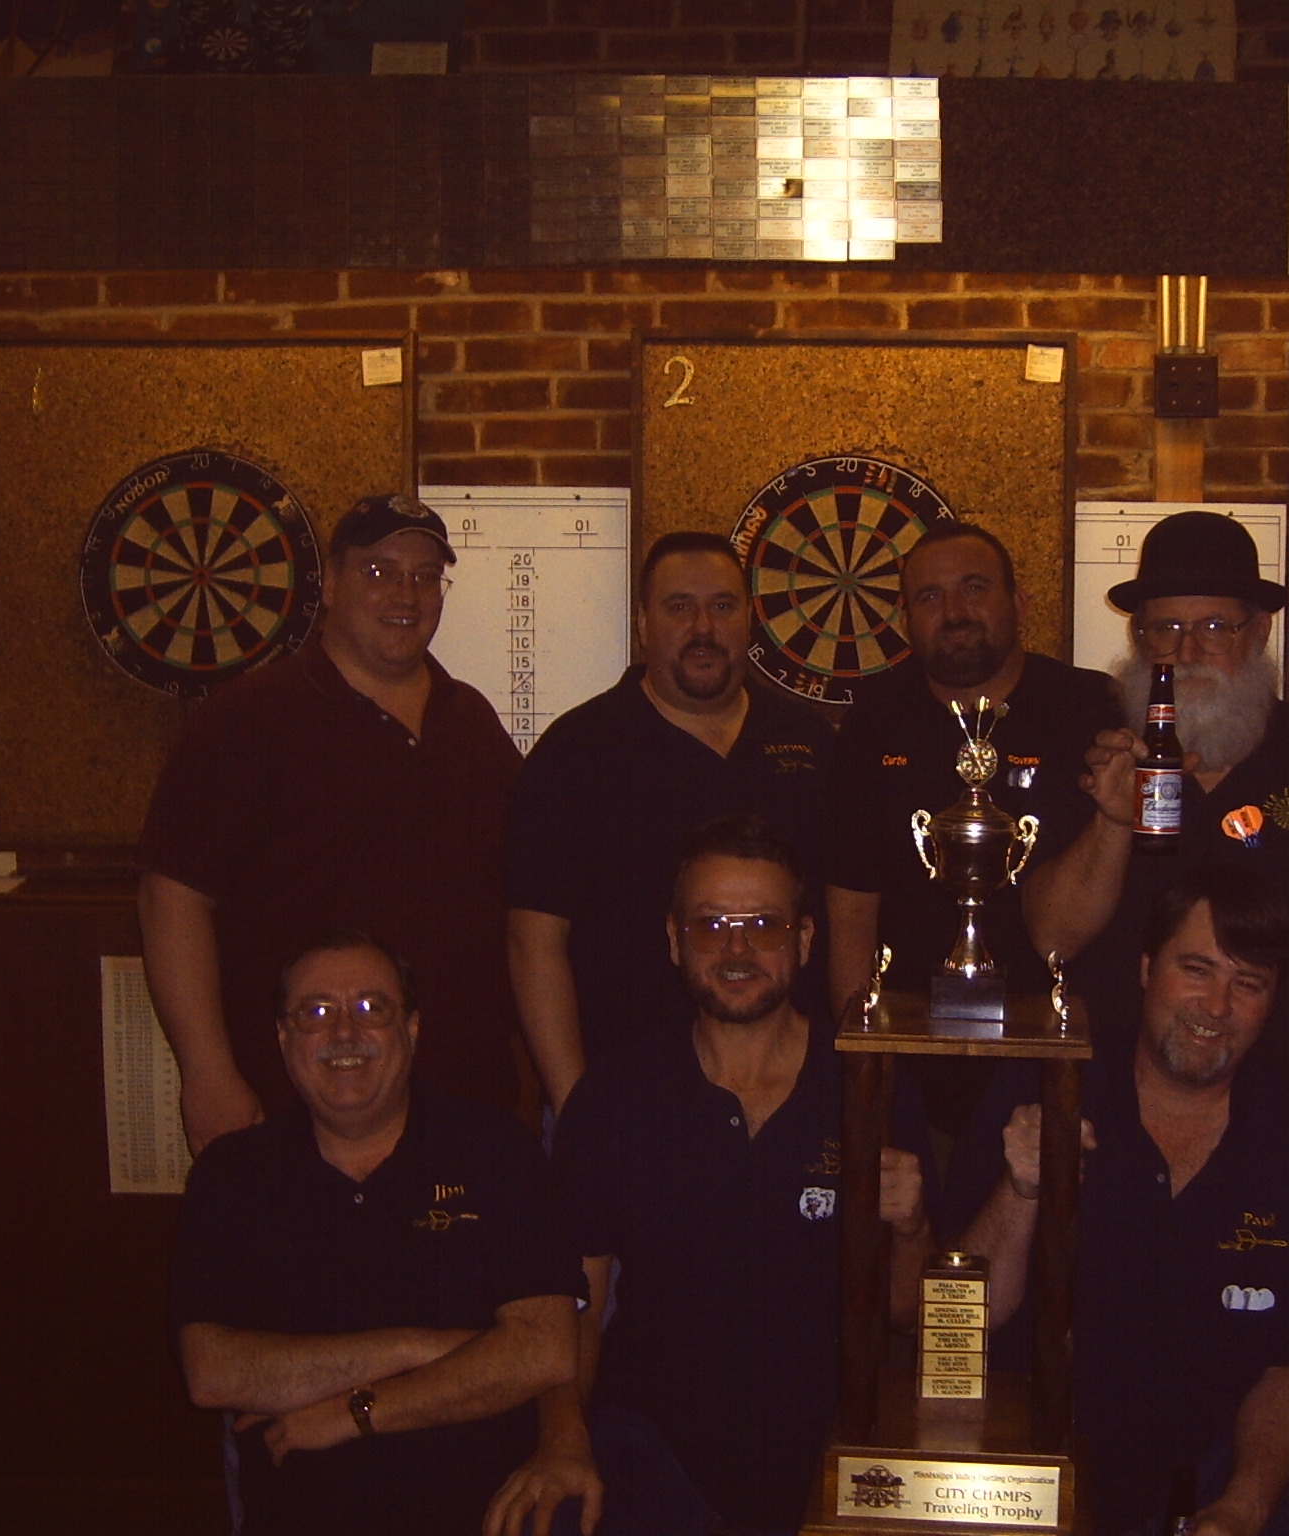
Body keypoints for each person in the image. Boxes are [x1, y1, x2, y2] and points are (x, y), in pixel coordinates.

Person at [491, 815, 931, 1536]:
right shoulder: (614, 1098)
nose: (736, 949)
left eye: (763, 925)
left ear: (805, 940)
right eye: (711, 925)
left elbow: (909, 1313)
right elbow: (573, 1312)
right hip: (652, 1459)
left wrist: (909, 1228)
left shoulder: (869, 1087)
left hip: (828, 1459)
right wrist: (565, 1440)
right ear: (674, 940)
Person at [949, 866, 1289, 1536]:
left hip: (1227, 1472)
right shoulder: (1042, 1089)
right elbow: (964, 1322)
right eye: (1197, 970)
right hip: (1038, 1470)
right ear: (1147, 970)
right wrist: (1020, 1188)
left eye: (1247, 984)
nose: (1216, 1006)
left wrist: (1241, 1508)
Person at [1023, 511, 1289, 1185]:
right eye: (1165, 629)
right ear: (1138, 637)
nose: (1188, 652)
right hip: (1109, 1133)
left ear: (1261, 630)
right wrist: (1111, 820)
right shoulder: (1090, 751)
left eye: (1216, 627)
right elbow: (1052, 937)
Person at [139, 491, 524, 1153]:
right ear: (332, 584)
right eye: (379, 571)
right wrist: (206, 1072)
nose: (405, 593)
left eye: (425, 576)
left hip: (461, 1102)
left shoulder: (471, 724)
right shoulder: (246, 720)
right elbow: (171, 899)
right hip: (295, 1107)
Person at [169, 931, 583, 1536]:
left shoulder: (496, 1149)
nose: (344, 1032)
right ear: (283, 1037)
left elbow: (545, 1350)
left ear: (411, 1029)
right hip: (299, 1517)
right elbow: (213, 1373)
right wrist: (423, 1349)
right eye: (315, 1012)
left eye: (371, 1007)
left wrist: (355, 1411)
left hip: (481, 1515)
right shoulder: (231, 1175)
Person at [506, 533, 835, 1116]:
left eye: (722, 606)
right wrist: (579, 1110)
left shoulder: (810, 744)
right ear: (643, 622)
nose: (703, 628)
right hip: (626, 1104)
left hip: (793, 1104)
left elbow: (846, 921)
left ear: (749, 619)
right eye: (679, 607)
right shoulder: (575, 753)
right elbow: (535, 945)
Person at [823, 522, 1121, 1133]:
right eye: (930, 597)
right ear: (907, 619)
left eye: (974, 588)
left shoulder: (1089, 710)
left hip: (1057, 1059)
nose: (954, 613)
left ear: (1019, 604)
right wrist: (864, 1071)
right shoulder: (875, 721)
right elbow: (851, 910)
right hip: (909, 1054)